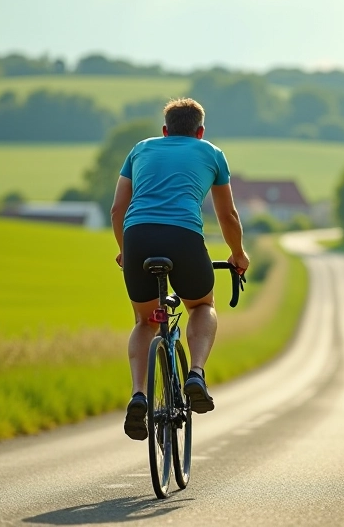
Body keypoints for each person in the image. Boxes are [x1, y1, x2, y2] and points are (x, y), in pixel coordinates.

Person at [110, 97, 250, 441]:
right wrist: (238, 254)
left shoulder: (140, 149)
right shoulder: (212, 153)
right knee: (202, 305)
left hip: (138, 235)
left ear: (164, 130)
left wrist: (125, 251)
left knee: (145, 321)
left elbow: (117, 210)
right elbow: (228, 216)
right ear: (199, 132)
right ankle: (197, 374)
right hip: (184, 238)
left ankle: (139, 393)